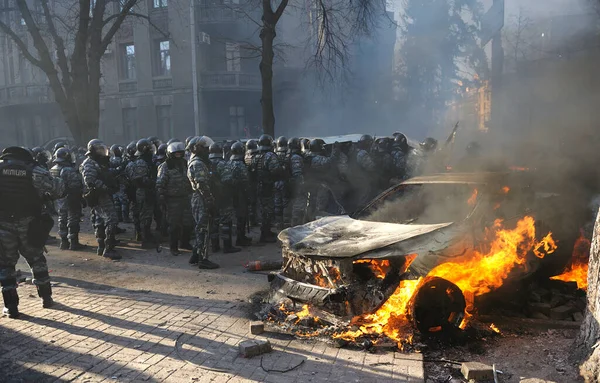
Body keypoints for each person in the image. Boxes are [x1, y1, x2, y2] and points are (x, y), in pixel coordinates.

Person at [0, 147, 65, 318]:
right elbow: (59, 190)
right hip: (30, 223)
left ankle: (11, 307)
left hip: (3, 224)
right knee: (36, 259)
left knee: (6, 265)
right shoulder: (34, 171)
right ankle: (46, 298)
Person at [80, 139, 122, 260]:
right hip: (98, 195)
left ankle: (102, 246)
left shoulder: (98, 162)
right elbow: (90, 181)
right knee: (112, 219)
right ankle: (108, 249)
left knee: (101, 220)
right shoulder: (89, 163)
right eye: (99, 149)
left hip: (102, 194)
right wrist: (105, 188)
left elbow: (106, 172)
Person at [187, 136, 220, 269]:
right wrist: (209, 200)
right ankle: (203, 259)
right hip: (201, 198)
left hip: (199, 197)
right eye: (205, 148)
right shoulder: (198, 163)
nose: (207, 151)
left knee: (201, 226)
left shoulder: (197, 161)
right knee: (203, 228)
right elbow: (202, 184)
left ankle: (195, 255)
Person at [156, 142, 194, 256]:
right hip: (172, 199)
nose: (178, 155)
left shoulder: (185, 164)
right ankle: (173, 247)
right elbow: (159, 183)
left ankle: (185, 243)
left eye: (180, 153)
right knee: (174, 225)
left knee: (188, 222)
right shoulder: (165, 166)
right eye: (175, 154)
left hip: (186, 197)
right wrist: (161, 197)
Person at [50, 147, 85, 251]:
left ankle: (64, 242)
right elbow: (75, 186)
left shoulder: (53, 168)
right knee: (73, 219)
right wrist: (80, 198)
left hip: (59, 199)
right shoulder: (68, 170)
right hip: (70, 197)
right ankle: (74, 243)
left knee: (62, 219)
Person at [254, 134, 284, 243]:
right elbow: (276, 170)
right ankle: (265, 234)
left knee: (263, 210)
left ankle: (266, 231)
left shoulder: (256, 156)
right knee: (268, 211)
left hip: (259, 186)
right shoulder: (270, 156)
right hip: (267, 187)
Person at [130, 139, 158, 249]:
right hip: (144, 191)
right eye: (150, 148)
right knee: (144, 216)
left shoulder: (148, 160)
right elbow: (139, 179)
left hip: (148, 190)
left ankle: (148, 235)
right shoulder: (141, 162)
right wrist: (152, 182)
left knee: (148, 214)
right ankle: (145, 239)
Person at [227, 142, 252, 246]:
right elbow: (246, 181)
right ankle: (240, 238)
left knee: (236, 217)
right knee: (242, 216)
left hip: (231, 193)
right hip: (241, 193)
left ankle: (240, 237)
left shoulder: (228, 163)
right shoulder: (241, 165)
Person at [208, 142, 226, 252]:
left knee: (213, 221)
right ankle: (227, 245)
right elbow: (228, 179)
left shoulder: (207, 163)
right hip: (223, 196)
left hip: (210, 195)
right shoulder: (222, 163)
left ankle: (215, 246)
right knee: (226, 221)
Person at [286, 137, 305, 227]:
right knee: (298, 205)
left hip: (291, 184)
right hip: (296, 185)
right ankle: (296, 224)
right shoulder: (296, 157)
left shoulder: (289, 155)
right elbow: (297, 173)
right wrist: (301, 186)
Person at [274, 136, 289, 229]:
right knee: (285, 203)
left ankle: (278, 223)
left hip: (275, 182)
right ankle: (286, 223)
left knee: (277, 204)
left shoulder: (274, 155)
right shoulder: (288, 155)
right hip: (284, 182)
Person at [244, 139, 259, 227]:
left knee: (251, 203)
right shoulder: (256, 156)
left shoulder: (245, 156)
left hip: (248, 181)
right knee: (254, 202)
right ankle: (253, 220)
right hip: (254, 181)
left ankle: (251, 220)